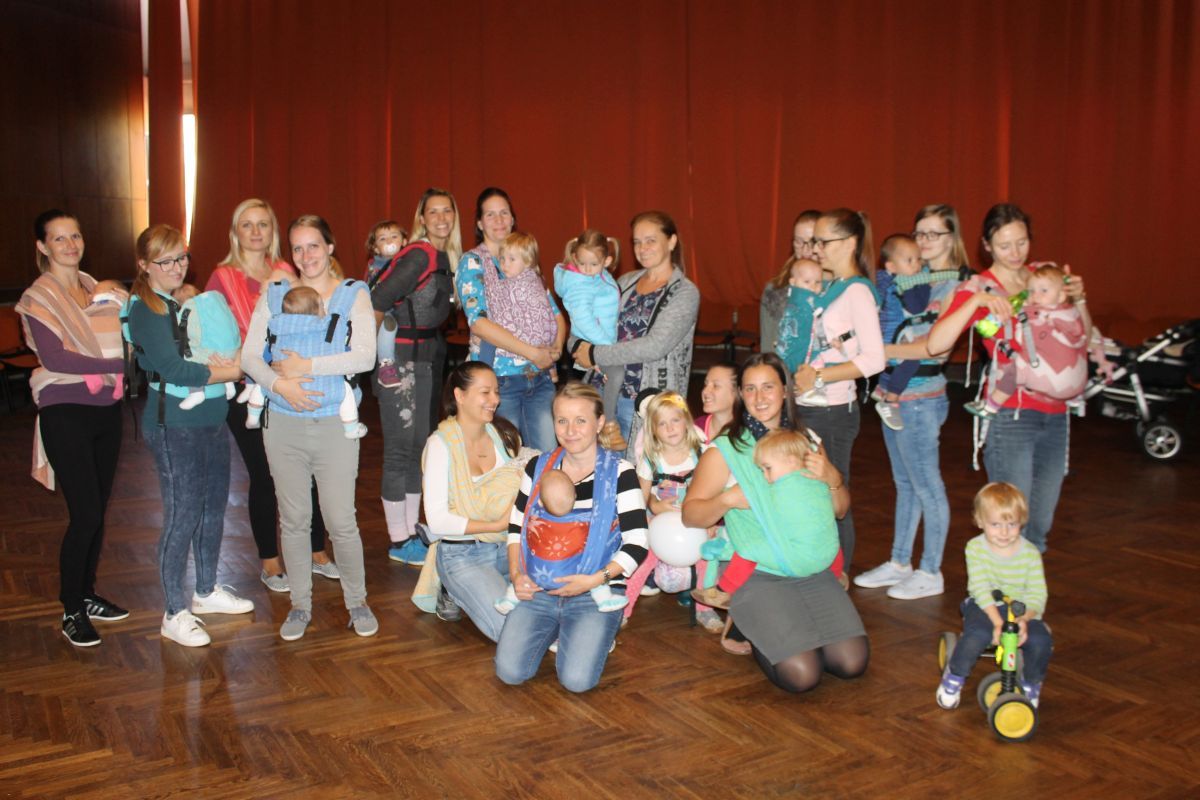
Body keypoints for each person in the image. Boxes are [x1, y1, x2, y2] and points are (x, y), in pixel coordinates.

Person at [683, 354, 868, 693]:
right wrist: (727, 500)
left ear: (785, 390)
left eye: (768, 387)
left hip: (811, 568)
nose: (759, 397)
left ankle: (773, 623)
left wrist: (833, 479)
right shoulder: (725, 449)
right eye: (750, 389)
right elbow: (690, 515)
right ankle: (751, 623)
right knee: (802, 675)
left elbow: (840, 511)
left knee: (850, 662)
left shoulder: (807, 441)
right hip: (759, 572)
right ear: (741, 395)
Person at [242, 214, 377, 641]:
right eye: (297, 248)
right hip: (283, 424)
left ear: (330, 247)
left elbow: (365, 357)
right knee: (295, 520)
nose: (306, 256)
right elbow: (249, 357)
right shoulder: (276, 293)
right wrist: (280, 384)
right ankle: (300, 605)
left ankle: (357, 601)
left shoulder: (353, 293)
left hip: (335, 425)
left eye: (314, 245)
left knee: (341, 521)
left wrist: (307, 367)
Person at [927, 203, 1089, 553]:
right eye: (1004, 245)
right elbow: (936, 344)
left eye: (1022, 242)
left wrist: (1079, 300)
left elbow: (1082, 338)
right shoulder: (981, 286)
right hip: (1012, 415)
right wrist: (975, 301)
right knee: (1009, 522)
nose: (1015, 253)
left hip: (1056, 413)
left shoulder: (1043, 278)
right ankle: (1001, 586)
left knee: (1040, 524)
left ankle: (1026, 587)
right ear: (987, 246)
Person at [125, 224, 253, 647]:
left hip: (212, 419)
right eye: (165, 261)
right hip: (174, 427)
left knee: (213, 507)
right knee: (183, 514)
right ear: (144, 265)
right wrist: (234, 369)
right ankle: (173, 612)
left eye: (181, 257)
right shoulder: (146, 309)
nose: (176, 267)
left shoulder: (179, 302)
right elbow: (175, 370)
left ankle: (206, 590)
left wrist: (229, 359)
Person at [205, 198, 333, 594]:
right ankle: (270, 560)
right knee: (263, 474)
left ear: (273, 231)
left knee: (307, 469)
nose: (256, 232)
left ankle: (316, 550)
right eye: (247, 224)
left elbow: (311, 318)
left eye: (263, 224)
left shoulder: (287, 272)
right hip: (245, 390)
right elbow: (209, 330)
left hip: (289, 383)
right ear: (236, 232)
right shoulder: (222, 277)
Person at [15, 210, 129, 647]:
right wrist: (119, 364)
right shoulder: (38, 297)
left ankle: (87, 592)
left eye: (75, 236)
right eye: (59, 239)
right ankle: (71, 608)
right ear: (42, 247)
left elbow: (125, 330)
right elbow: (56, 358)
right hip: (65, 411)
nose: (70, 245)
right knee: (85, 514)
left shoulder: (97, 288)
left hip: (106, 409)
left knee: (98, 510)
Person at [495, 382, 649, 693]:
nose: (570, 430)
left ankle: (596, 628)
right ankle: (562, 629)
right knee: (509, 672)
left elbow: (637, 543)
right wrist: (516, 575)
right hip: (539, 587)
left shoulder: (621, 472)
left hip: (595, 591)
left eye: (581, 420)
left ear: (599, 423)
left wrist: (594, 580)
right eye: (562, 420)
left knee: (576, 681)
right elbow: (516, 526)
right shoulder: (538, 467)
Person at [854, 204, 970, 601]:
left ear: (952, 238)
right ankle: (900, 561)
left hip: (922, 398)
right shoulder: (909, 279)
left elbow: (935, 349)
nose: (924, 241)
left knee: (927, 485)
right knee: (905, 484)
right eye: (920, 233)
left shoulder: (953, 286)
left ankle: (931, 570)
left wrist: (880, 351)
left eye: (934, 233)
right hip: (897, 394)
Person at [791, 209, 885, 575]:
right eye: (813, 240)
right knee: (811, 492)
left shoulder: (857, 291)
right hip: (810, 403)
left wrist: (818, 376)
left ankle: (837, 574)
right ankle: (817, 569)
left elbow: (874, 358)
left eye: (822, 241)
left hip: (832, 409)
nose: (815, 248)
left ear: (849, 243)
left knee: (832, 492)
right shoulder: (831, 286)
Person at [372, 188, 459, 566]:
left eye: (447, 211)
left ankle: (410, 531)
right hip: (399, 361)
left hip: (427, 359)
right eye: (432, 212)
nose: (441, 218)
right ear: (421, 219)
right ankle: (398, 539)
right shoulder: (419, 254)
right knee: (398, 450)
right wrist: (377, 360)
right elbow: (376, 301)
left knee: (417, 449)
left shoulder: (446, 257)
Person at [416, 361, 531, 638]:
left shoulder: (505, 436)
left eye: (496, 391)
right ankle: (451, 586)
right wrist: (498, 525)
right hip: (464, 555)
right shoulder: (440, 445)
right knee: (512, 631)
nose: (495, 400)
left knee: (552, 606)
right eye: (485, 392)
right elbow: (437, 521)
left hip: (510, 547)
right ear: (460, 395)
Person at [575, 211, 700, 453]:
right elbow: (591, 321)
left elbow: (654, 346)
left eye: (650, 240)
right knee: (594, 466)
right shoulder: (625, 282)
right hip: (600, 389)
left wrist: (594, 354)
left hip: (642, 400)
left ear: (672, 241)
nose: (642, 248)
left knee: (633, 470)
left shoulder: (685, 292)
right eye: (637, 242)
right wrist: (578, 345)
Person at [456, 188, 565, 453]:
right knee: (507, 457)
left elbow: (553, 313)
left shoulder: (525, 261)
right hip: (499, 380)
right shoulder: (473, 262)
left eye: (504, 213)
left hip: (539, 377)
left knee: (546, 456)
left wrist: (555, 348)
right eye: (490, 214)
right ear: (479, 223)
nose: (499, 220)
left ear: (513, 218)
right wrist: (532, 352)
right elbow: (479, 323)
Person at [936, 482, 1052, 710]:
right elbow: (980, 588)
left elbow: (1038, 593)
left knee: (1041, 641)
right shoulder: (975, 548)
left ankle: (1031, 683)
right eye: (996, 524)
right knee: (977, 635)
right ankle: (955, 676)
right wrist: (998, 623)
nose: (1004, 532)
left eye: (1012, 524)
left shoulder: (1030, 554)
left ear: (1022, 521)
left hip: (1020, 610)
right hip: (985, 606)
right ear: (980, 521)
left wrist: (1025, 619)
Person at [691, 428, 833, 609]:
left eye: (768, 468)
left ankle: (723, 590)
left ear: (790, 460)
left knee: (749, 549)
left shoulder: (782, 489)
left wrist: (729, 494)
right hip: (826, 557)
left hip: (798, 558)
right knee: (829, 537)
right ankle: (838, 574)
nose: (765, 476)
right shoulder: (814, 479)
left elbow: (764, 506)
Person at [496, 463, 629, 616]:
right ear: (575, 497)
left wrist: (515, 574)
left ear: (540, 502)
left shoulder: (535, 517)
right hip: (577, 577)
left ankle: (510, 598)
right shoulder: (585, 521)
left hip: (539, 576)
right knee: (594, 567)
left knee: (526, 571)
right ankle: (604, 599)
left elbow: (518, 530)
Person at [964, 264, 1090, 418]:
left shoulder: (1041, 315)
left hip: (1053, 381)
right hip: (1076, 384)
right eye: (1031, 291)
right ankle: (1076, 401)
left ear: (1061, 296)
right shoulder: (1070, 313)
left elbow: (1022, 338)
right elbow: (1083, 337)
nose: (1036, 296)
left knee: (1015, 369)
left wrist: (1017, 311)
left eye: (1043, 291)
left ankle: (991, 406)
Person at [242, 285, 368, 439]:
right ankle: (351, 427)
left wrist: (275, 376)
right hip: (325, 393)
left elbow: (262, 356)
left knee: (260, 386)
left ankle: (253, 415)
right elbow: (348, 354)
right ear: (317, 309)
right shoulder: (328, 328)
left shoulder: (277, 327)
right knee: (347, 391)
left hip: (279, 396)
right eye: (322, 306)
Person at [621, 390, 705, 620]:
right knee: (642, 558)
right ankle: (623, 610)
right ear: (653, 430)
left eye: (675, 420)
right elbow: (640, 498)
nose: (670, 428)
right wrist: (653, 508)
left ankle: (704, 610)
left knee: (707, 559)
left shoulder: (701, 452)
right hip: (660, 522)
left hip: (695, 520)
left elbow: (713, 489)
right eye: (662, 424)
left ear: (686, 421)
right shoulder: (651, 459)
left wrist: (709, 522)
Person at [691, 362, 740, 635]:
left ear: (736, 393)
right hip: (692, 512)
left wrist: (714, 515)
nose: (706, 390)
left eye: (716, 385)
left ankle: (705, 601)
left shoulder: (745, 435)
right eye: (706, 383)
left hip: (729, 521)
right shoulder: (694, 429)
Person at [872, 234, 929, 430]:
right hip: (886, 331)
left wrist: (910, 286)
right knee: (907, 360)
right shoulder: (882, 280)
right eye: (909, 260)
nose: (916, 265)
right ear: (891, 266)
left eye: (918, 259)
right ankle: (890, 398)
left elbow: (917, 307)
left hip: (901, 332)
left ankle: (886, 391)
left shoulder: (919, 283)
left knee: (906, 361)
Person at [554, 229, 620, 389]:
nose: (587, 269)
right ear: (575, 258)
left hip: (601, 342)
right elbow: (583, 319)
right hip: (593, 344)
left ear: (607, 261)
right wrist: (607, 346)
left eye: (594, 264)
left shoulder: (599, 276)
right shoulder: (580, 284)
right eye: (582, 263)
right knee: (613, 380)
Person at [761, 210, 820, 354]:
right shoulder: (775, 290)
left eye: (812, 242)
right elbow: (768, 349)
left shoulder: (836, 287)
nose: (805, 250)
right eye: (799, 242)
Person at [774, 258, 824, 375]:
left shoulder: (793, 298)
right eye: (807, 281)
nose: (813, 287)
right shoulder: (804, 298)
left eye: (818, 282)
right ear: (793, 282)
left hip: (791, 352)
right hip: (801, 354)